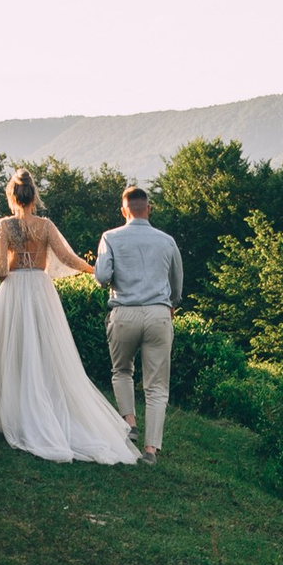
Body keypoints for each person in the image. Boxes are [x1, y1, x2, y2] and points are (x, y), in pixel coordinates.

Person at [0, 170, 142, 465]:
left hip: (14, 289)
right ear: (34, 196)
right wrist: (92, 270)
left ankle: (16, 407)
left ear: (12, 197)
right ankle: (44, 406)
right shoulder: (45, 226)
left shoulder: (4, 226)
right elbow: (66, 256)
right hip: (41, 291)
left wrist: (12, 271)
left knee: (12, 349)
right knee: (46, 352)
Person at [92, 184, 184, 461]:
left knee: (121, 371)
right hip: (158, 314)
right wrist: (171, 304)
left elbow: (102, 276)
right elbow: (177, 284)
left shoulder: (110, 237)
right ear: (149, 208)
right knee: (157, 387)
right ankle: (150, 450)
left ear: (124, 210)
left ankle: (130, 423)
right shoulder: (167, 241)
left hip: (124, 312)